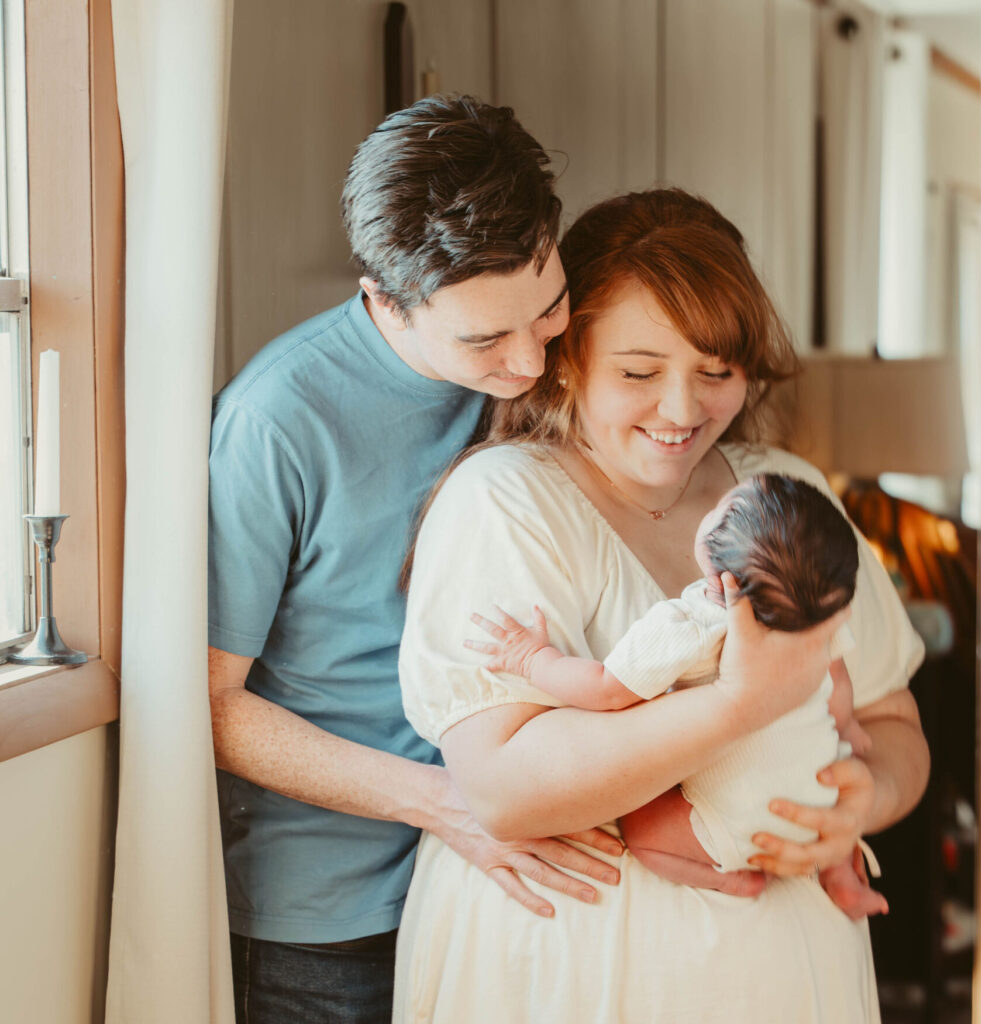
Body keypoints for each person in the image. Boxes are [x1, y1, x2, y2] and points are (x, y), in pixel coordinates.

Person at [395, 188, 929, 1022]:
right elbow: (504, 788)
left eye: (716, 372)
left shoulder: (789, 495)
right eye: (639, 373)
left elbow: (893, 723)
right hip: (570, 981)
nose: (682, 410)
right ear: (567, 357)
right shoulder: (504, 500)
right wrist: (740, 705)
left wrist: (867, 797)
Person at [207, 95, 629, 1024]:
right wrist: (451, 804)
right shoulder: (275, 421)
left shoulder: (560, 364)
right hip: (329, 922)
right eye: (483, 339)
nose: (528, 364)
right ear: (382, 299)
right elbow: (213, 705)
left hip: (503, 880)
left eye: (546, 312)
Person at [466, 471, 889, 919]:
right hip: (818, 809)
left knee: (641, 829)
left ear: (717, 570)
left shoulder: (689, 625)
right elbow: (839, 690)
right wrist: (849, 729)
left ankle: (729, 879)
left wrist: (533, 659)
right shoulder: (814, 628)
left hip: (737, 826)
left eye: (727, 504)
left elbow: (605, 689)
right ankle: (841, 877)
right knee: (828, 771)